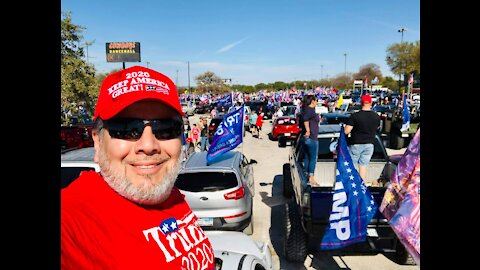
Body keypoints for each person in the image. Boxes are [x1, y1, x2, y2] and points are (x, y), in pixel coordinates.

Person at [61, 66, 215, 269]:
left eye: (166, 129)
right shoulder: (72, 216)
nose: (149, 146)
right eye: (126, 129)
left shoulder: (166, 190)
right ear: (97, 142)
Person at [344, 94, 381, 181]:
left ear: (361, 103)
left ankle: (352, 184)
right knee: (363, 166)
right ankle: (361, 185)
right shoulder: (376, 116)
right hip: (369, 145)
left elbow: (346, 131)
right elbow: (377, 128)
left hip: (356, 144)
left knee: (352, 166)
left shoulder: (355, 116)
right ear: (371, 103)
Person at [300, 94, 320, 186]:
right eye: (316, 100)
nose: (317, 102)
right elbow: (305, 119)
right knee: (313, 158)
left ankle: (306, 176)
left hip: (306, 139)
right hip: (312, 138)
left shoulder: (305, 110)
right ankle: (311, 178)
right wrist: (308, 130)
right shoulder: (310, 110)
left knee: (307, 157)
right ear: (312, 101)